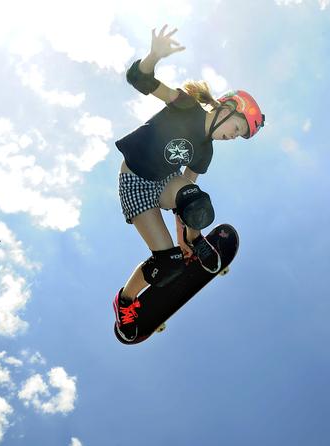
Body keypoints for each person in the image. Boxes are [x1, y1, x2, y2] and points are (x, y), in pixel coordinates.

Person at [113, 25, 265, 337]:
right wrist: (153, 56)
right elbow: (141, 80)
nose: (231, 137)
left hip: (164, 182)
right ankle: (125, 300)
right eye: (235, 130)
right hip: (134, 181)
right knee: (167, 264)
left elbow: (185, 194)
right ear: (226, 108)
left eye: (236, 137)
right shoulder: (187, 106)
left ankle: (194, 242)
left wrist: (187, 237)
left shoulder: (205, 152)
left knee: (195, 199)